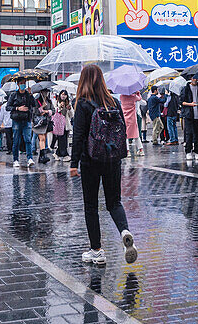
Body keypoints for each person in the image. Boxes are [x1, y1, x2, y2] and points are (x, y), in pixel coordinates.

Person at [69, 64, 138, 266]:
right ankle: (125, 231)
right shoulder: (113, 101)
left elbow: (79, 136)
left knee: (91, 206)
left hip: (90, 160)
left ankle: (97, 250)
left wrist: (74, 163)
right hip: (112, 159)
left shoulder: (82, 104)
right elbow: (122, 131)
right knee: (114, 202)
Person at [7, 78, 37, 168]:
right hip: (16, 120)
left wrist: (31, 95)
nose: (23, 85)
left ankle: (30, 158)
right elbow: (8, 107)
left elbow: (34, 104)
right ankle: (15, 159)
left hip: (27, 119)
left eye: (24, 83)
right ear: (18, 84)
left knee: (28, 140)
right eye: (21, 83)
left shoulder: (28, 95)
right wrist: (17, 108)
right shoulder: (13, 95)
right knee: (16, 140)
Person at [180, 74, 198, 161]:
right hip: (189, 114)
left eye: (196, 78)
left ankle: (196, 151)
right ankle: (188, 151)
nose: (195, 79)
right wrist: (190, 104)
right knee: (189, 134)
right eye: (194, 78)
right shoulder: (186, 88)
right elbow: (181, 102)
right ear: (190, 79)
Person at [119, 90, 143, 158]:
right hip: (133, 119)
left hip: (125, 118)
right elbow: (140, 98)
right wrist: (138, 93)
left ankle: (127, 151)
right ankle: (141, 150)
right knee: (136, 134)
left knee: (126, 135)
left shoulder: (121, 96)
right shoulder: (134, 97)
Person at [52, 93, 73, 161]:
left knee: (64, 140)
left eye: (65, 94)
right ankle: (65, 155)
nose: (63, 96)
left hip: (66, 125)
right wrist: (59, 107)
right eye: (62, 94)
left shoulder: (68, 104)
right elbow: (54, 112)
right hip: (59, 124)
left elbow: (71, 115)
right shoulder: (56, 103)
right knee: (62, 140)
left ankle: (57, 153)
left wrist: (69, 109)